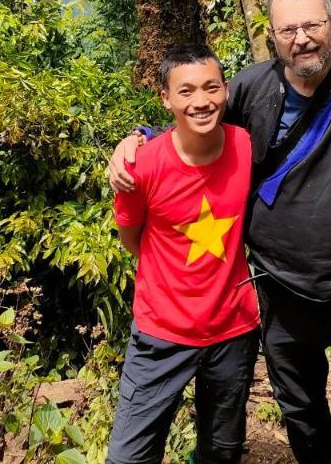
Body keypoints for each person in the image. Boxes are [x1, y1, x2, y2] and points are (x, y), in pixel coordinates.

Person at [108, 0, 331, 464]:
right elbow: (198, 118)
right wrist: (139, 136)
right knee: (303, 416)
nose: (301, 38)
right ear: (274, 37)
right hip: (282, 295)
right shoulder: (253, 88)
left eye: (312, 25)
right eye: (288, 29)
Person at [106, 45, 260, 464]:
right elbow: (132, 237)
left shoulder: (247, 147)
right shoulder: (142, 166)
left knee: (222, 452)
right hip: (161, 332)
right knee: (129, 456)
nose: (201, 101)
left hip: (233, 328)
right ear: (166, 98)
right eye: (186, 91)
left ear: (226, 91)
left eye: (211, 88)